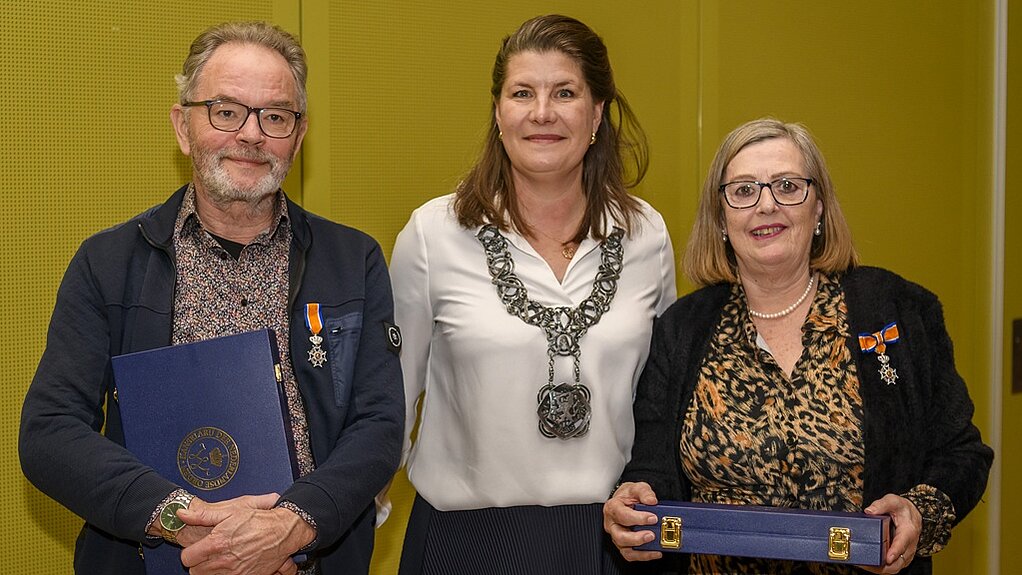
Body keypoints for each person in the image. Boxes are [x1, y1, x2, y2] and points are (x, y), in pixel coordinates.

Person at [19, 21, 403, 575]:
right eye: (226, 111)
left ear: (298, 136)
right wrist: (183, 520)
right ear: (183, 126)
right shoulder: (109, 264)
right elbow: (50, 432)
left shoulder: (353, 261)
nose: (251, 134)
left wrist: (290, 527)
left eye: (275, 116)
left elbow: (379, 425)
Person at [603, 118, 993, 575]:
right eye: (744, 191)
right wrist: (635, 499)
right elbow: (653, 470)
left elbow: (961, 453)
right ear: (722, 219)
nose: (766, 205)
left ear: (819, 207)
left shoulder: (897, 312)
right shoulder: (681, 329)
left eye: (788, 186)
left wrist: (918, 512)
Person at [388, 13, 676, 575]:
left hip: (614, 542)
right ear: (499, 113)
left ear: (596, 113)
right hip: (464, 544)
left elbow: (660, 404)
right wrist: (344, 526)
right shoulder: (432, 234)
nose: (542, 112)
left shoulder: (647, 235)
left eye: (565, 93)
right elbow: (392, 405)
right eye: (522, 93)